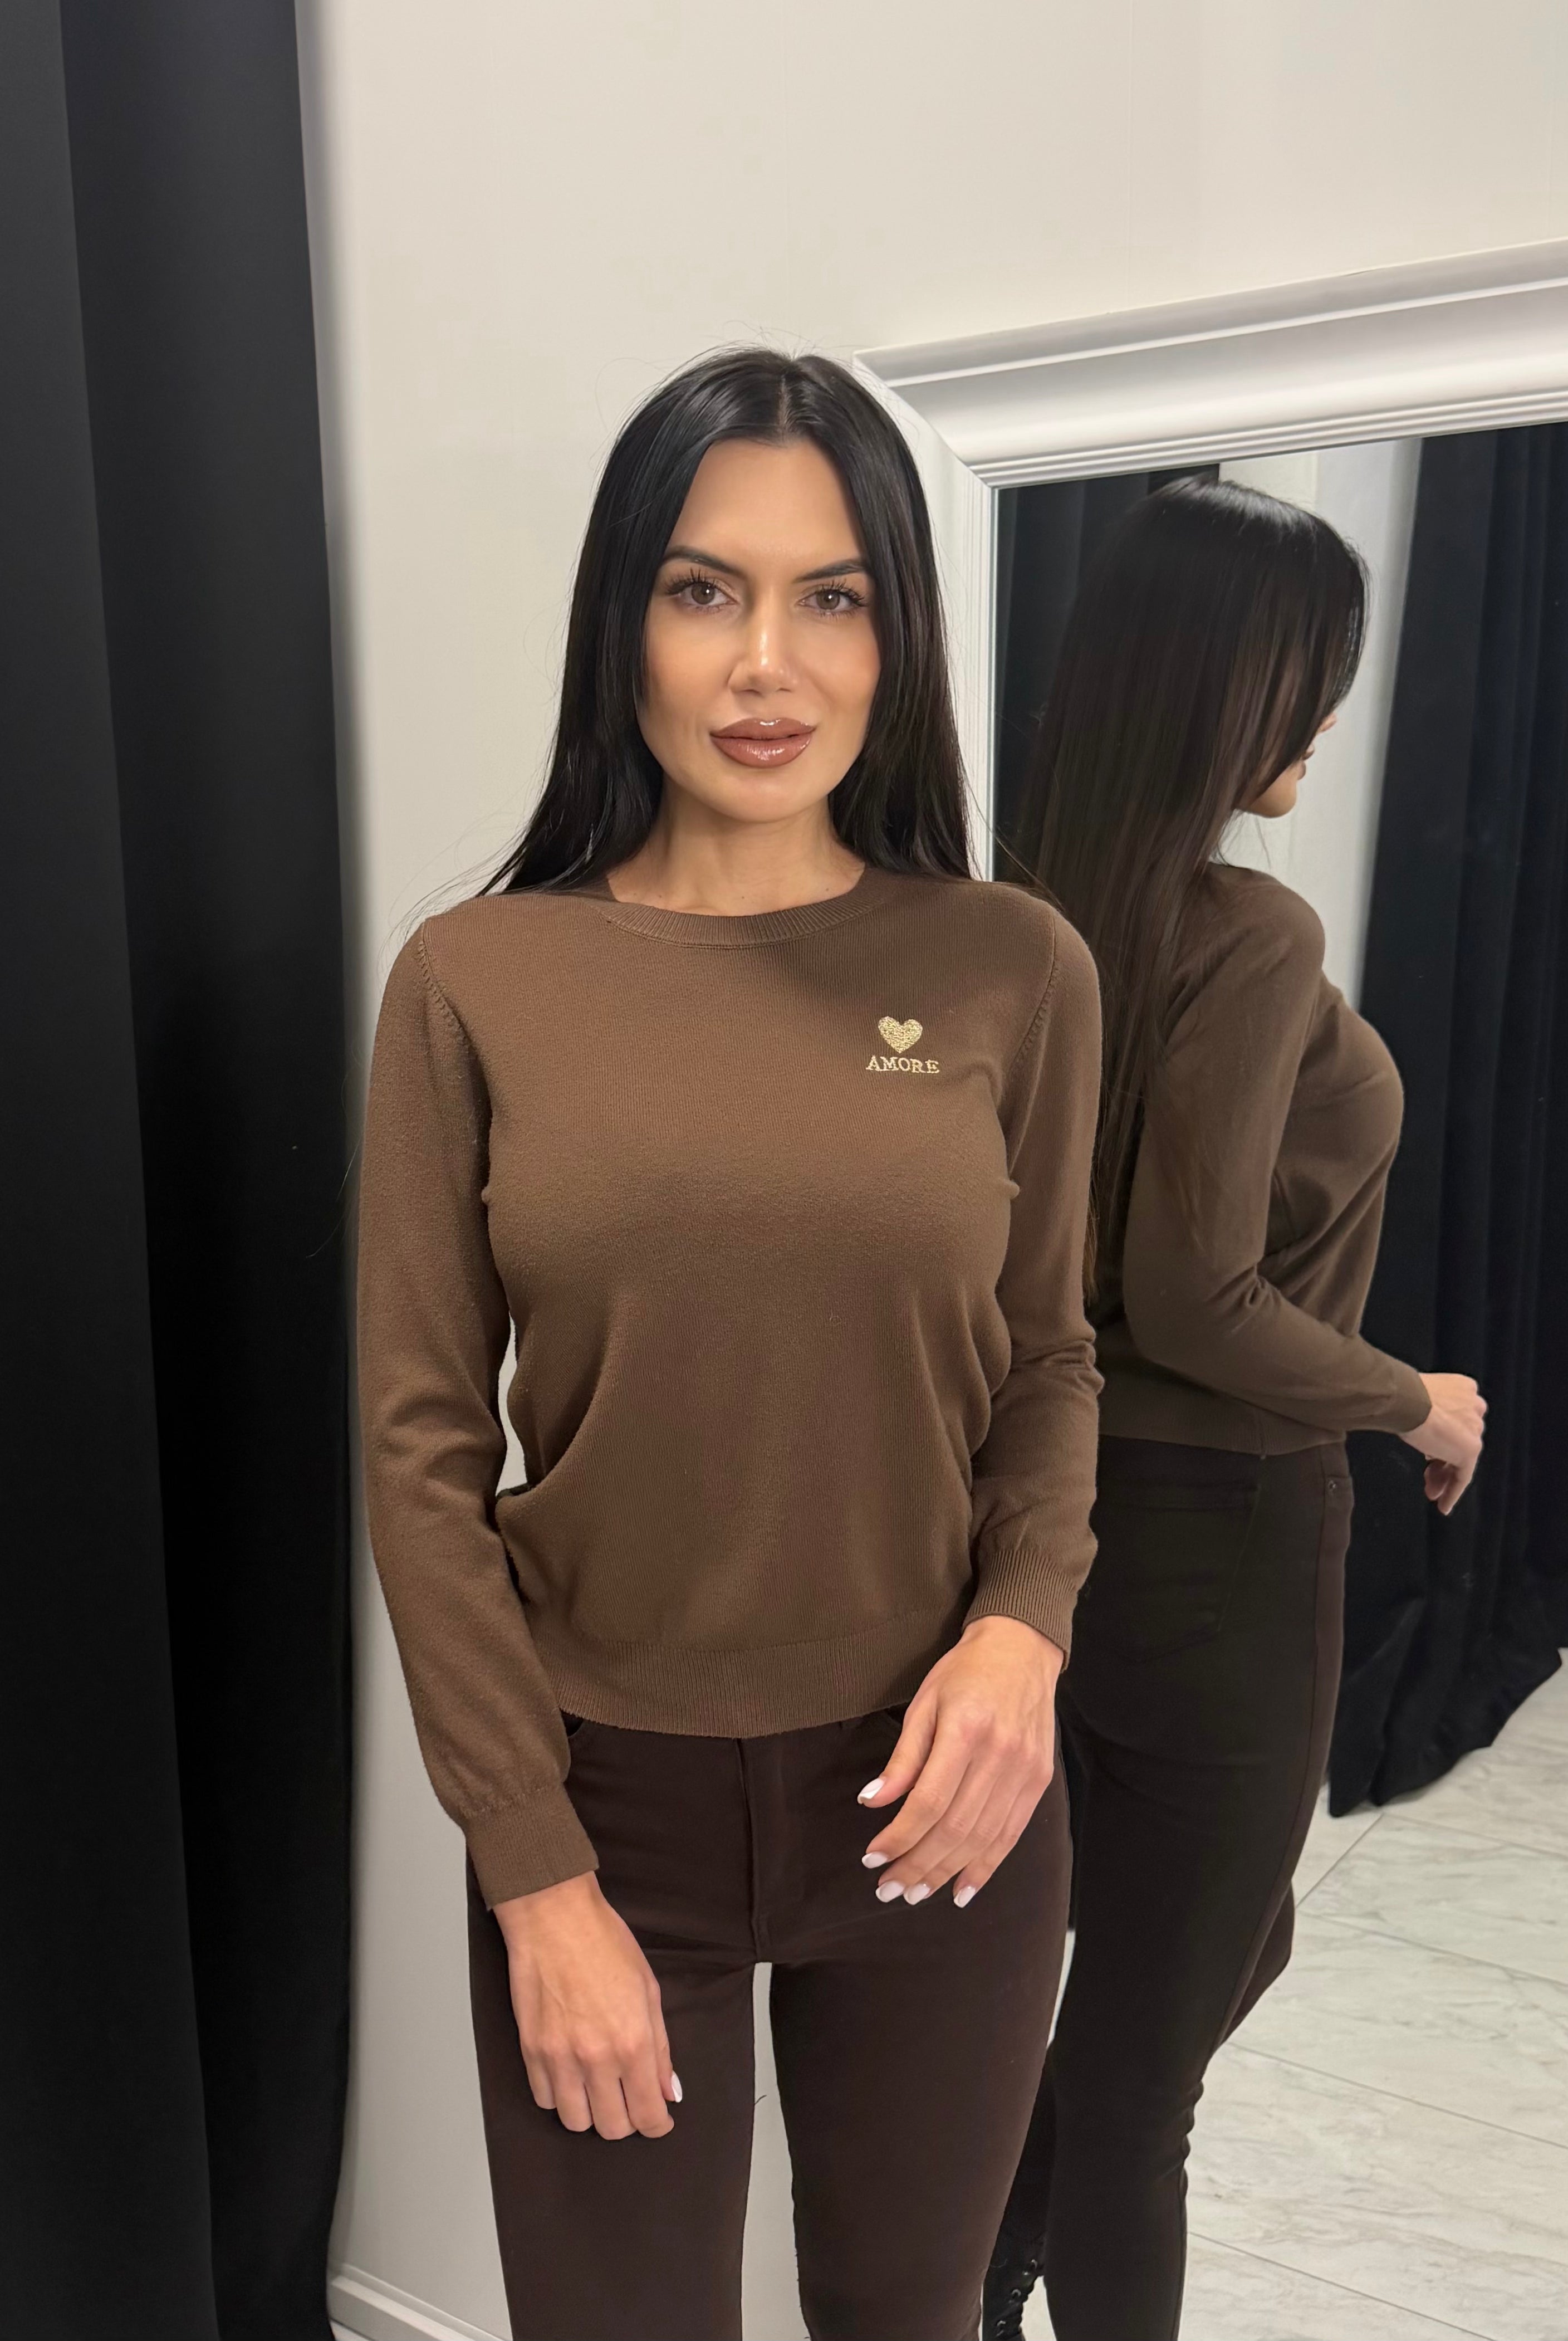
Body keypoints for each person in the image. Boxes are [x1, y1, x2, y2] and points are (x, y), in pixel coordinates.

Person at [356, 348, 1105, 2341]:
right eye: (705, 590)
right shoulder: (475, 982)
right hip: (607, 1812)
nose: (768, 663)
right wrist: (532, 1867)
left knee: (911, 2317)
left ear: (896, 632)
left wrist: (1023, 1632)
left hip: (940, 1787)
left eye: (831, 595)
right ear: (626, 619)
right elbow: (422, 1457)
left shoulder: (1013, 966)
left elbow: (1048, 1361)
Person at [983, 479, 1487, 2341]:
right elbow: (1195, 1291)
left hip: (1051, 1514)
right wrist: (1414, 1396)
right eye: (1311, 678)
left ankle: (974, 2279)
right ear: (1228, 688)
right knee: (1145, 2085)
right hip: (1230, 1532)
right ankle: (977, 2284)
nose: (1329, 717)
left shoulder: (1009, 911)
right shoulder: (1250, 934)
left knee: (1206, 1953)